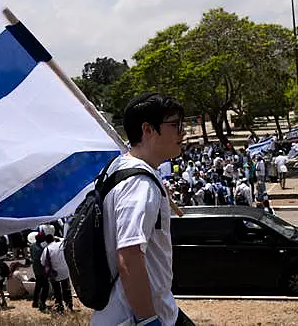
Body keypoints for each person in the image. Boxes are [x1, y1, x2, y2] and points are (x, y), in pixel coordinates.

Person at [91, 93, 194, 326]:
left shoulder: (120, 168)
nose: (182, 132)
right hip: (133, 316)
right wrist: (148, 320)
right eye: (174, 125)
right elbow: (129, 256)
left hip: (160, 309)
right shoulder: (140, 184)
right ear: (148, 130)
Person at [41, 234, 72, 314]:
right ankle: (69, 305)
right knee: (66, 289)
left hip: (54, 273)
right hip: (65, 271)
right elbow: (64, 239)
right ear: (53, 238)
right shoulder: (61, 245)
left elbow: (43, 262)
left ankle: (60, 307)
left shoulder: (46, 249)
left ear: (46, 241)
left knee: (57, 291)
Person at [31, 232, 49, 311]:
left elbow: (32, 256)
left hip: (35, 268)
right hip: (41, 269)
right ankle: (42, 302)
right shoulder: (42, 248)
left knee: (38, 285)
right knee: (45, 286)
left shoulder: (32, 246)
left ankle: (35, 302)